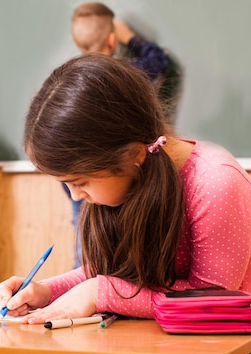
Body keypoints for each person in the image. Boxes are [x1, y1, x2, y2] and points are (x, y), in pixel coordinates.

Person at [0, 54, 251, 354]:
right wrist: (46, 290)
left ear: (132, 155)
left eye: (79, 182)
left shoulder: (216, 182)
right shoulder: (124, 179)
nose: (75, 196)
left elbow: (210, 303)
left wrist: (102, 292)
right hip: (157, 350)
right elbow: (107, 273)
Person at [65, 2, 182, 267]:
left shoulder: (69, 86)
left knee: (87, 246)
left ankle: (86, 286)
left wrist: (77, 183)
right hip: (119, 176)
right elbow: (159, 61)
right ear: (111, 40)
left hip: (79, 183)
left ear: (75, 41)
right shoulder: (127, 75)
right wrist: (131, 38)